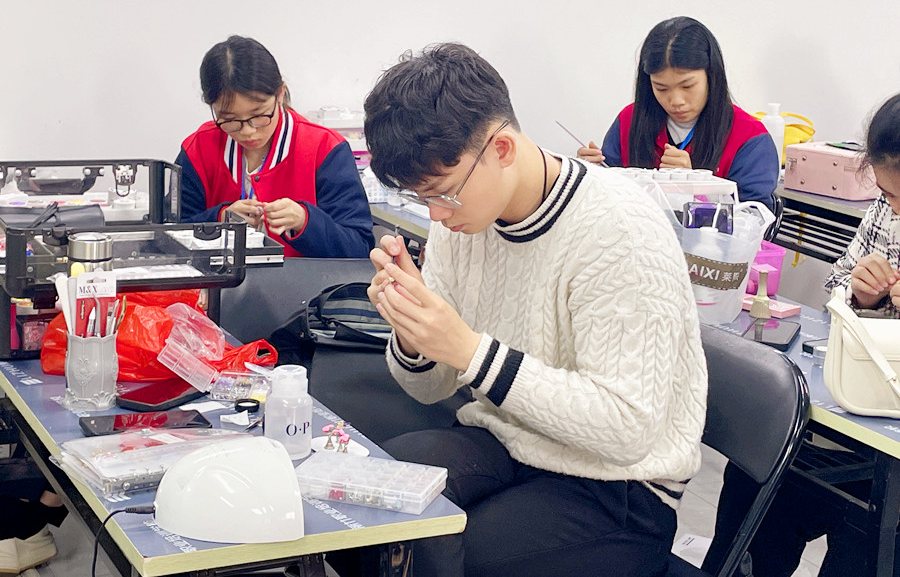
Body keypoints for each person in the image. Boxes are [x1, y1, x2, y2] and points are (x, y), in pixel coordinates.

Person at [361, 43, 707, 576]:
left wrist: (469, 352)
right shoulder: (463, 221)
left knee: (445, 559)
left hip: (620, 486)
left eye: (442, 194)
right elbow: (430, 389)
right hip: (505, 440)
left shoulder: (620, 231)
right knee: (369, 502)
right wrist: (413, 332)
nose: (436, 215)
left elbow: (626, 430)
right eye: (421, 198)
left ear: (501, 148)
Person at [705, 92, 900, 576]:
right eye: (888, 194)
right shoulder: (885, 209)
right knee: (760, 471)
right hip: (859, 400)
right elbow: (839, 285)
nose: (893, 208)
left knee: (869, 536)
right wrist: (862, 295)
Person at [176, 35, 374, 258]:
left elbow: (359, 248)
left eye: (259, 115)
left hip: (305, 281)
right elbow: (168, 232)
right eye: (229, 119)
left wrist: (305, 222)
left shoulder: (324, 149)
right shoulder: (199, 149)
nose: (248, 131)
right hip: (219, 280)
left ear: (280, 94)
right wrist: (218, 220)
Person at [577, 17, 779, 209]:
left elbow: (756, 220)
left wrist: (696, 188)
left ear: (711, 76)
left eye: (687, 86)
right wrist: (588, 177)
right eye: (661, 88)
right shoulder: (629, 122)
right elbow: (606, 204)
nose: (676, 101)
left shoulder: (749, 138)